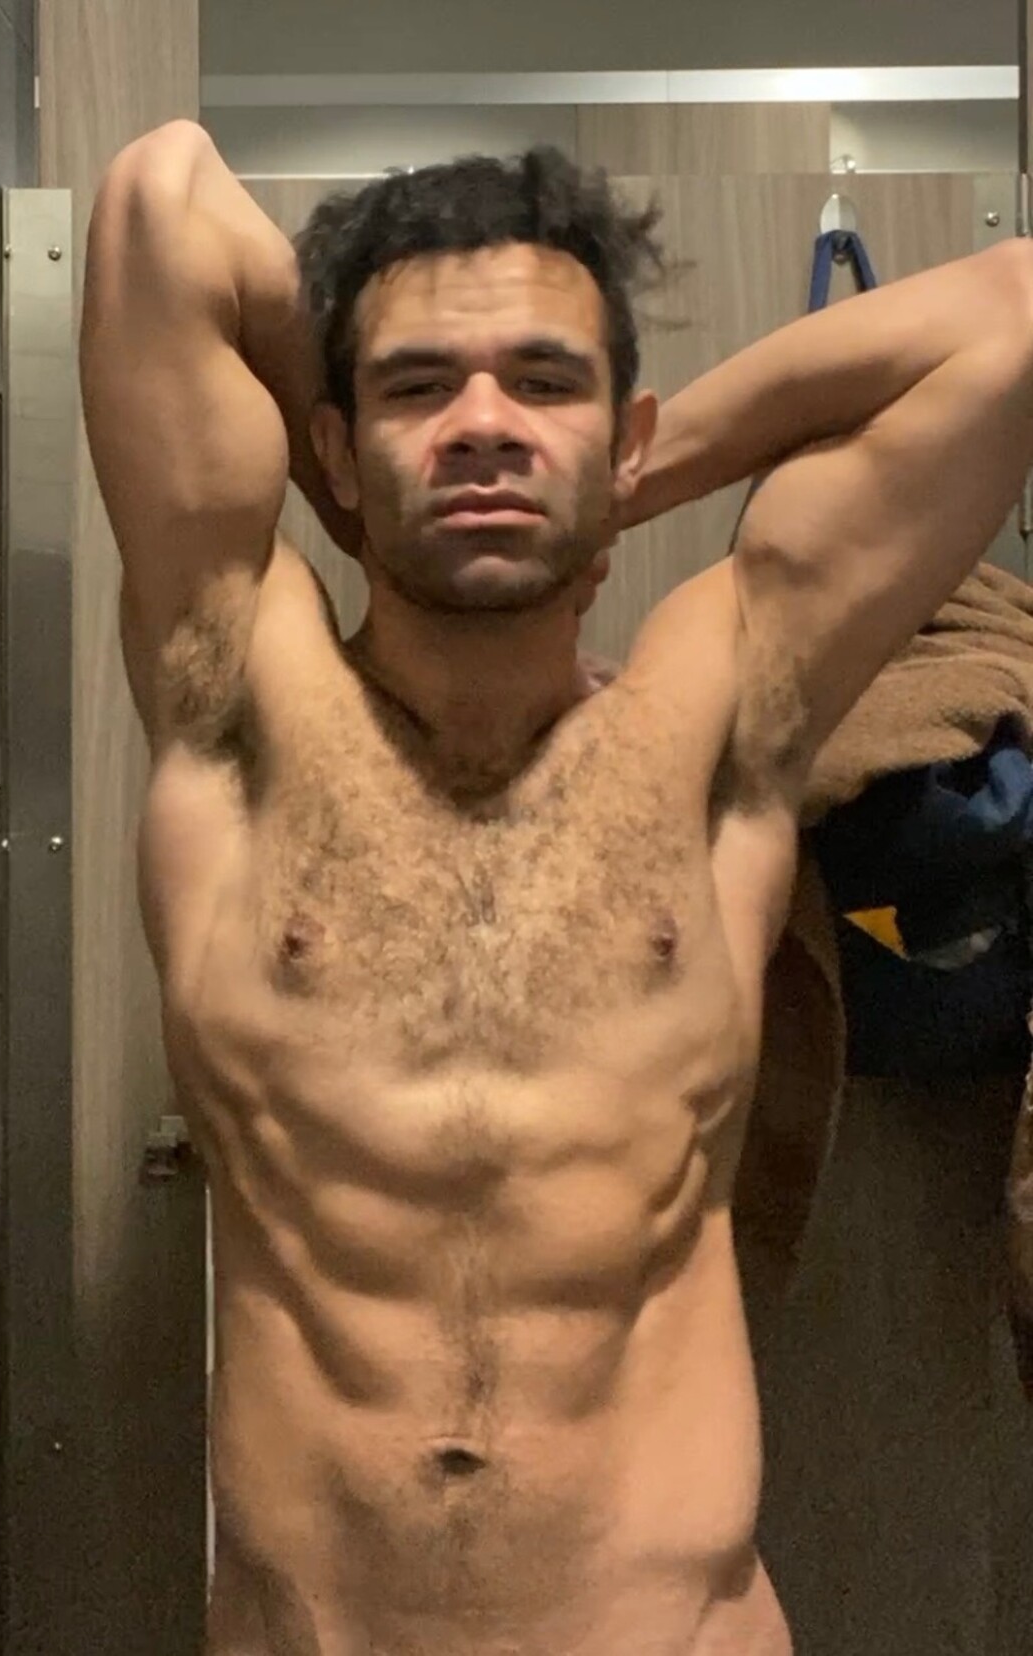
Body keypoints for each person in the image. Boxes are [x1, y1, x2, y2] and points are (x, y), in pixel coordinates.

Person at [80, 120, 1033, 1656]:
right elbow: (160, 197)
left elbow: (1017, 311)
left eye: (543, 382)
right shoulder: (242, 711)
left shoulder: (719, 725)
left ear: (624, 435)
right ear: (333, 444)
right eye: (415, 389)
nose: (482, 423)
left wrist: (606, 488)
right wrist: (390, 489)